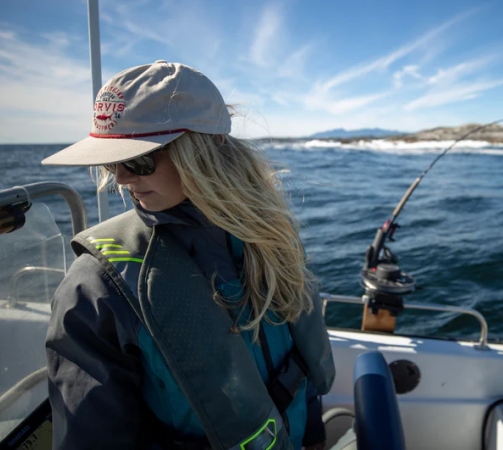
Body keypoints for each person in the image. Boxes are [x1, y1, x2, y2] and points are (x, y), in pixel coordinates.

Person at [42, 61, 335, 450]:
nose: (122, 179)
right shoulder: (95, 289)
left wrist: (313, 438)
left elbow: (298, 368)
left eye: (139, 159)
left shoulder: (268, 237)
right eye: (111, 162)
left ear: (207, 150)